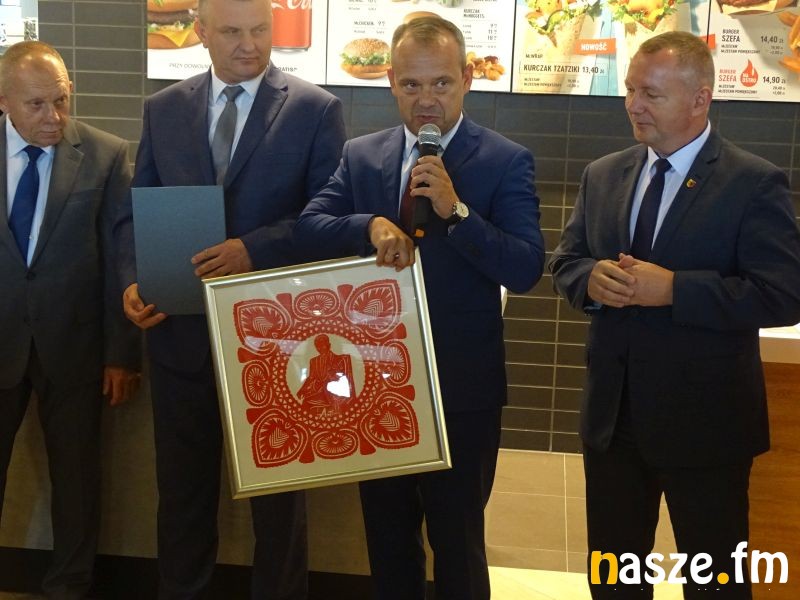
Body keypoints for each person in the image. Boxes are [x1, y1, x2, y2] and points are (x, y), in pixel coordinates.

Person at [295, 17, 544, 600]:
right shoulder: (361, 155)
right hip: (375, 384)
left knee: (458, 541)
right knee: (387, 537)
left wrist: (459, 213)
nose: (426, 99)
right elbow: (310, 226)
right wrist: (368, 224)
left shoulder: (505, 159)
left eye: (441, 83)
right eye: (411, 84)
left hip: (462, 387)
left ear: (466, 80)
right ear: (390, 82)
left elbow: (526, 267)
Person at [549, 31, 800, 600]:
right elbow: (565, 261)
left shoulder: (752, 181)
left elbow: (783, 294)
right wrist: (589, 279)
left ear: (700, 99)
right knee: (613, 579)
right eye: (630, 90)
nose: (634, 105)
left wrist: (675, 291)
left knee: (715, 583)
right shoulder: (603, 173)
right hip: (614, 421)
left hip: (706, 425)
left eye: (652, 94)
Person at [113, 0, 346, 597]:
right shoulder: (164, 108)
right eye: (233, 32)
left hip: (276, 339)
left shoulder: (315, 109)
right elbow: (136, 212)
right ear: (201, 32)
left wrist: (254, 248)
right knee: (183, 498)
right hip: (180, 334)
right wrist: (134, 279)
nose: (249, 44)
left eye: (260, 30)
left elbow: (329, 217)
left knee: (278, 505)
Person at [0, 41, 141, 598]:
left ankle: (70, 587)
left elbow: (121, 260)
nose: (53, 117)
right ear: (4, 100)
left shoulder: (106, 155)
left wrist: (121, 354)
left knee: (78, 481)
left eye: (60, 100)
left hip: (75, 347)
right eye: (35, 104)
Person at [297, 334, 355, 417]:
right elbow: (311, 377)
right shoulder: (313, 361)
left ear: (329, 345)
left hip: (333, 390)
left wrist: (332, 377)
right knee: (306, 403)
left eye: (322, 345)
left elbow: (342, 378)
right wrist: (302, 390)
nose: (320, 348)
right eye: (317, 346)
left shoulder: (339, 359)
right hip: (318, 390)